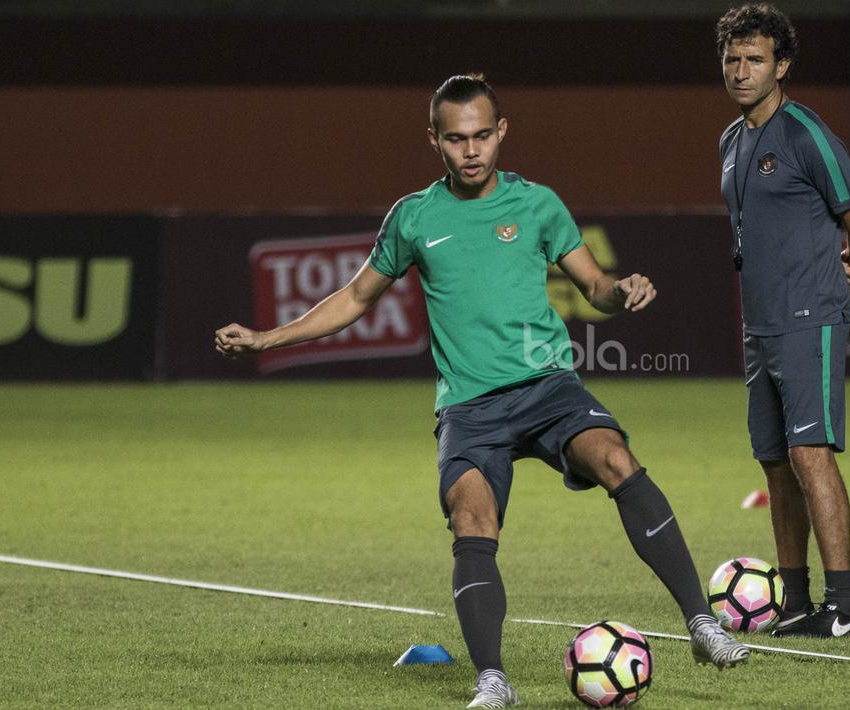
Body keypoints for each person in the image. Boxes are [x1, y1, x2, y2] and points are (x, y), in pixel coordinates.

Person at [215, 74, 750, 709]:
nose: (471, 151)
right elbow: (356, 298)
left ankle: (702, 625)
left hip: (548, 386)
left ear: (501, 133)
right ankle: (492, 679)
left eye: (481, 136)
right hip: (469, 407)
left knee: (616, 459)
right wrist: (267, 339)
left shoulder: (538, 205)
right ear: (436, 141)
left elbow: (594, 286)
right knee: (473, 518)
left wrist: (621, 291)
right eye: (455, 139)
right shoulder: (414, 217)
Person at [714, 3, 850, 638]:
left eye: (754, 58)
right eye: (731, 57)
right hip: (760, 326)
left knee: (810, 453)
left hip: (809, 318)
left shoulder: (805, 132)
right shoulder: (731, 142)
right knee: (777, 464)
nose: (740, 69)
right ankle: (795, 600)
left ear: (781, 66)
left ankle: (846, 607)